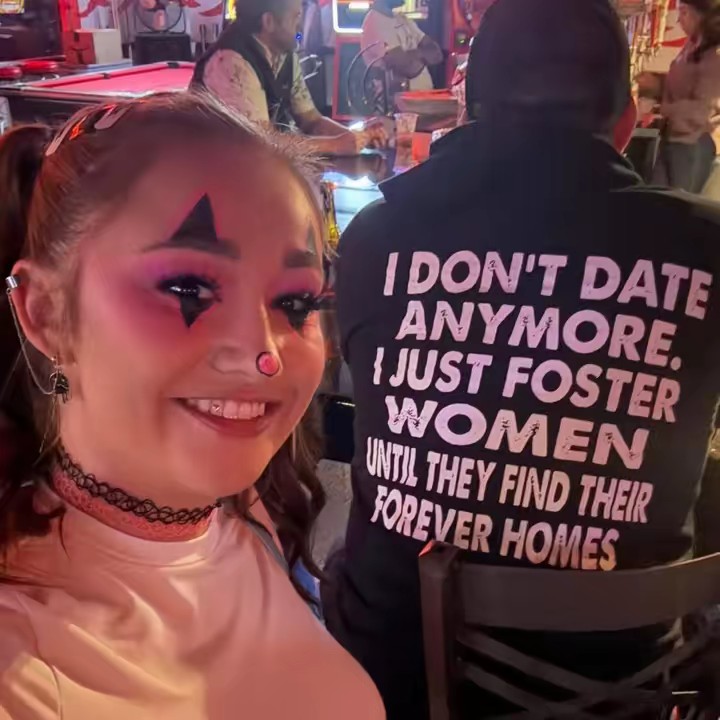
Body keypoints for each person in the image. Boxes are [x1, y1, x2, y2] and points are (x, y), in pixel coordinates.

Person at [324, 0, 720, 717]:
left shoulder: (375, 239)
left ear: (465, 114)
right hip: (621, 689)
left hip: (389, 676)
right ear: (626, 124)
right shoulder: (706, 249)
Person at [0, 92, 385, 720]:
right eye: (189, 287)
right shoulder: (23, 669)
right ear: (45, 312)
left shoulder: (243, 513)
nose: (264, 356)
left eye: (295, 303)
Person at [192, 0, 385, 154]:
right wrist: (335, 145)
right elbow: (261, 143)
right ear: (269, 22)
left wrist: (356, 137)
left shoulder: (285, 53)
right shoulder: (231, 62)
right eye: (296, 17)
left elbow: (311, 120)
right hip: (215, 175)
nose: (300, 25)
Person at [652, 0, 720, 192]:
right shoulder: (693, 44)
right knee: (657, 198)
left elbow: (701, 110)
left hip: (691, 144)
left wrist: (661, 109)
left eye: (683, 13)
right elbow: (684, 86)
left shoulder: (714, 56)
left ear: (701, 16)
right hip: (674, 138)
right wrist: (656, 84)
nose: (678, 20)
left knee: (675, 203)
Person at [361, 0, 443, 92]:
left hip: (425, 96)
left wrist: (414, 55)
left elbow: (437, 53)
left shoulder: (402, 18)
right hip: (399, 99)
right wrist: (423, 54)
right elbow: (409, 68)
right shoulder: (374, 22)